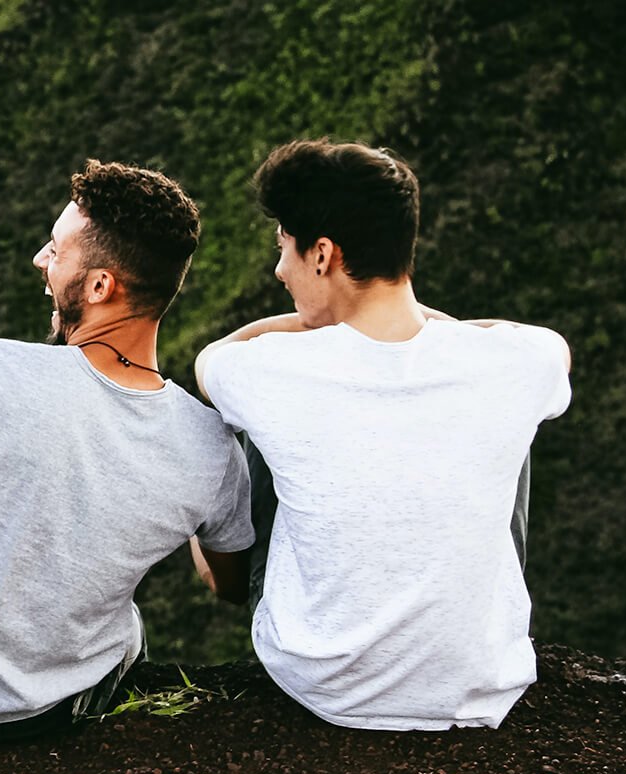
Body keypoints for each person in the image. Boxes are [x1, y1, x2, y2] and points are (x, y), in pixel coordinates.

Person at [0, 159, 256, 740]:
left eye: (55, 249)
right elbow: (228, 586)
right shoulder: (212, 447)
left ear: (99, 286)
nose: (40, 260)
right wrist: (185, 504)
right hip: (49, 715)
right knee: (129, 628)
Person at [194, 139, 573, 731]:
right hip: (477, 684)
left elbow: (212, 360)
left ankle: (232, 586)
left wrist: (309, 324)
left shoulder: (271, 368)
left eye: (284, 250)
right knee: (506, 420)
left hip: (322, 681)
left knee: (252, 427)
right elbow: (549, 345)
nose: (278, 271)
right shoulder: (516, 363)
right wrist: (430, 327)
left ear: (322, 254)